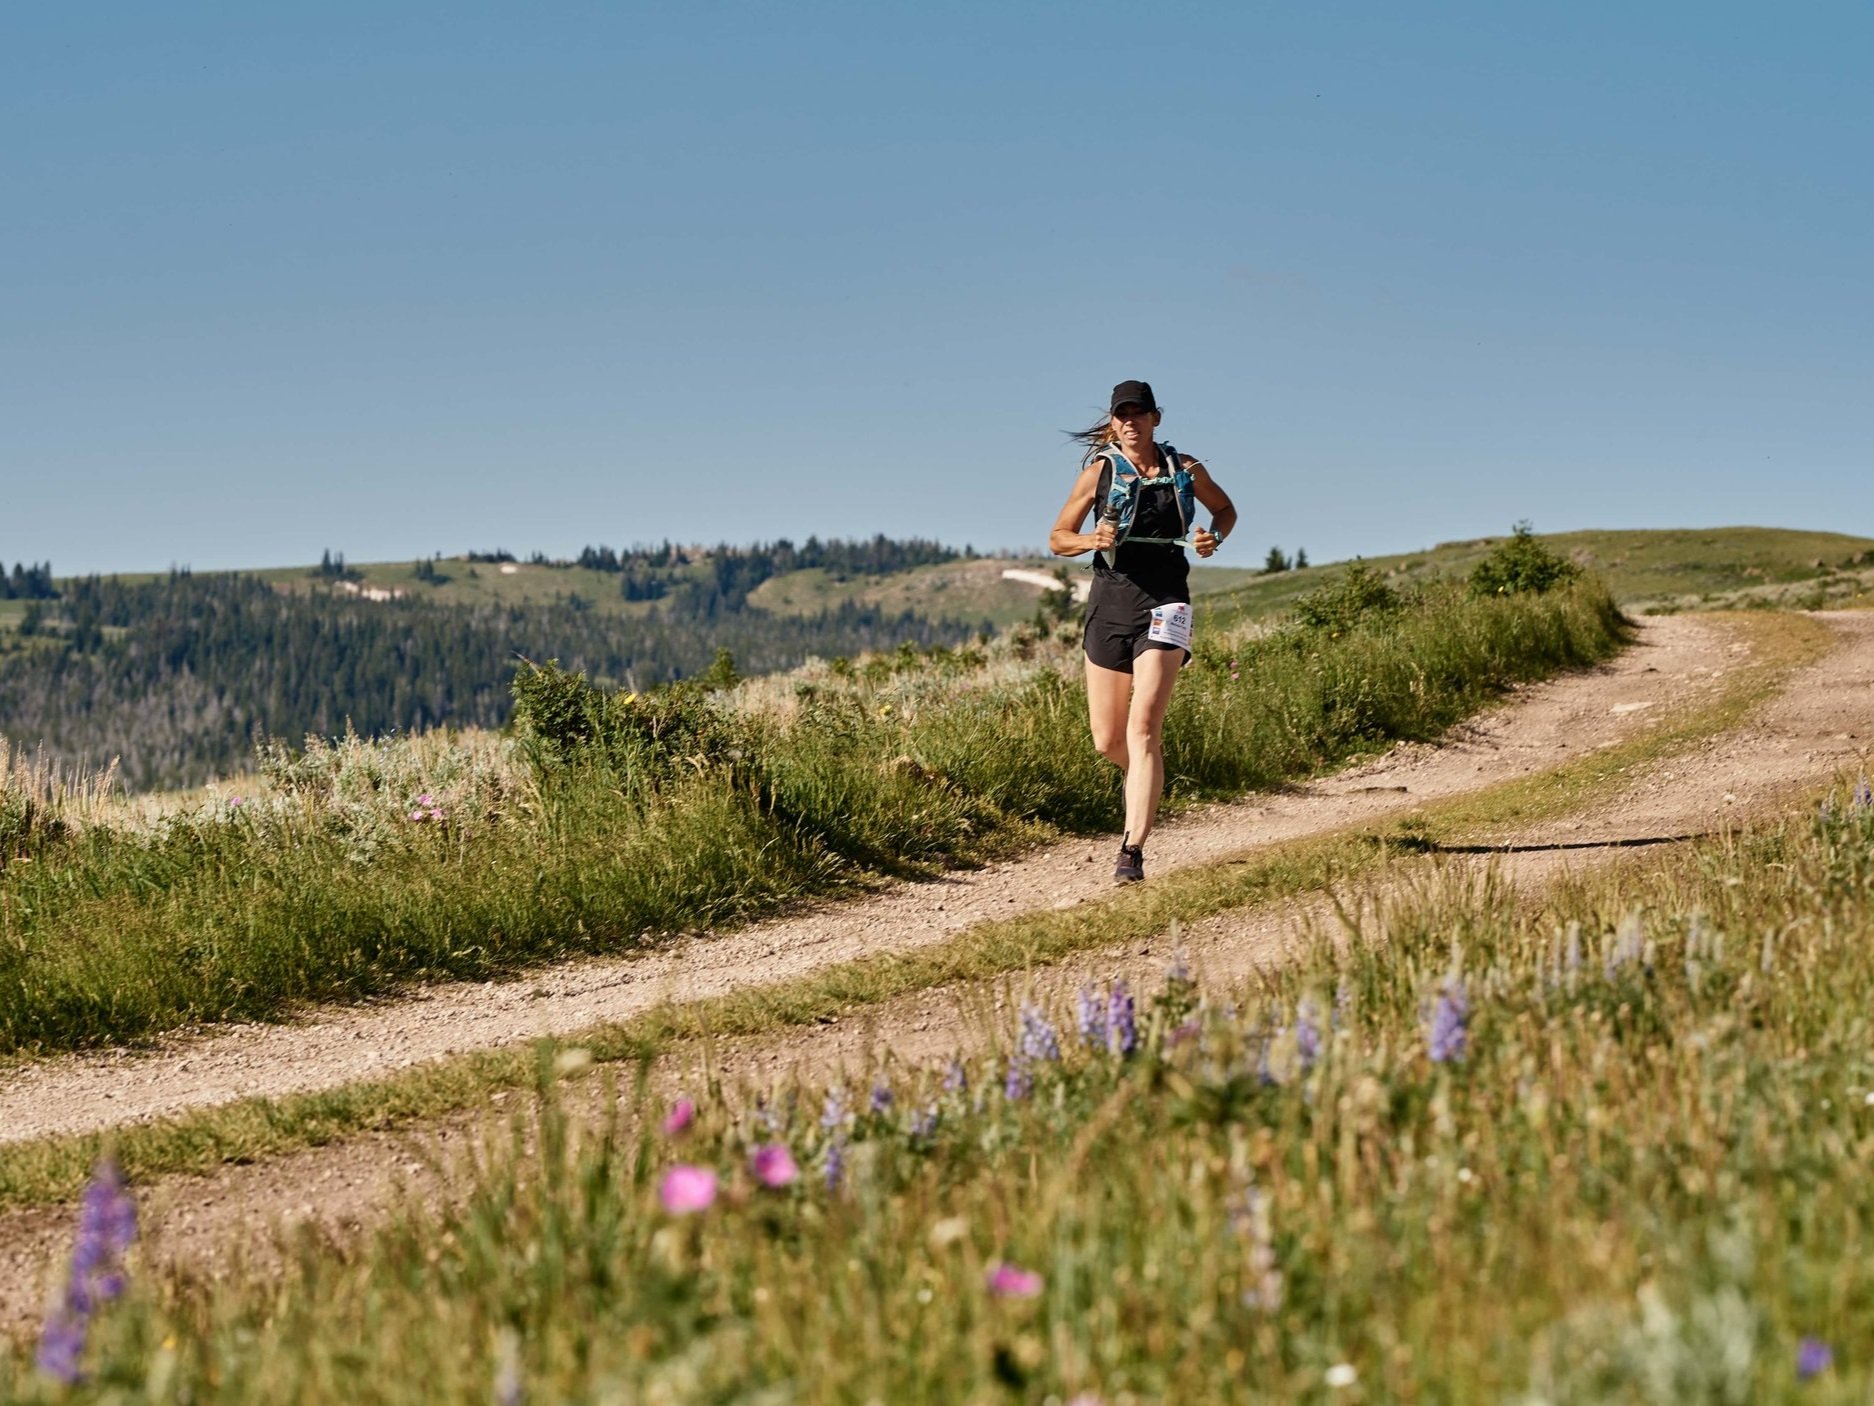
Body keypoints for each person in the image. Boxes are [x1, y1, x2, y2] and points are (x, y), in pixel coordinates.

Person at [1049, 379, 1237, 883]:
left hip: (1167, 599)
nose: (1131, 421)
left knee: (1143, 729)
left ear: (1157, 418)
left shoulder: (1186, 469)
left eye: (1140, 412)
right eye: (1122, 414)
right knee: (1109, 740)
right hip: (1110, 604)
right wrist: (1091, 536)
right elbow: (1057, 538)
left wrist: (1211, 537)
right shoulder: (1100, 473)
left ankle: (1131, 850)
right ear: (1114, 422)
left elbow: (1226, 510)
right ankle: (1147, 785)